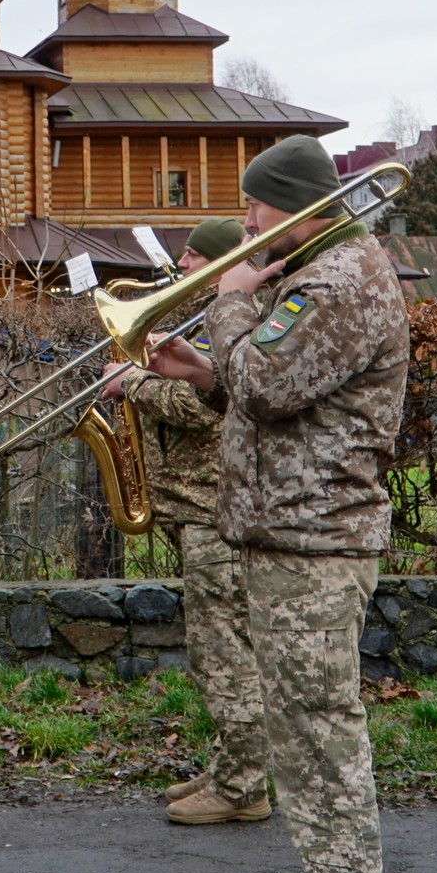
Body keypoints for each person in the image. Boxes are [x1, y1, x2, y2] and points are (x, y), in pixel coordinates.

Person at [148, 136, 408, 873]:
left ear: (292, 204)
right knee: (301, 739)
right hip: (295, 534)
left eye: (256, 202)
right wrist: (204, 371)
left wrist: (229, 303)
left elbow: (266, 382)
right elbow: (277, 398)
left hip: (315, 541)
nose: (248, 217)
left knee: (318, 741)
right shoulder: (319, 271)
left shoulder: (337, 280)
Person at [100, 215, 274, 826]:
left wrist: (136, 385)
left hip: (216, 508)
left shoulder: (239, 321)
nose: (187, 269)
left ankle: (245, 785)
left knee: (223, 650)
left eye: (199, 258)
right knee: (216, 647)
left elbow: (211, 409)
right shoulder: (210, 320)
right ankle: (234, 764)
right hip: (197, 507)